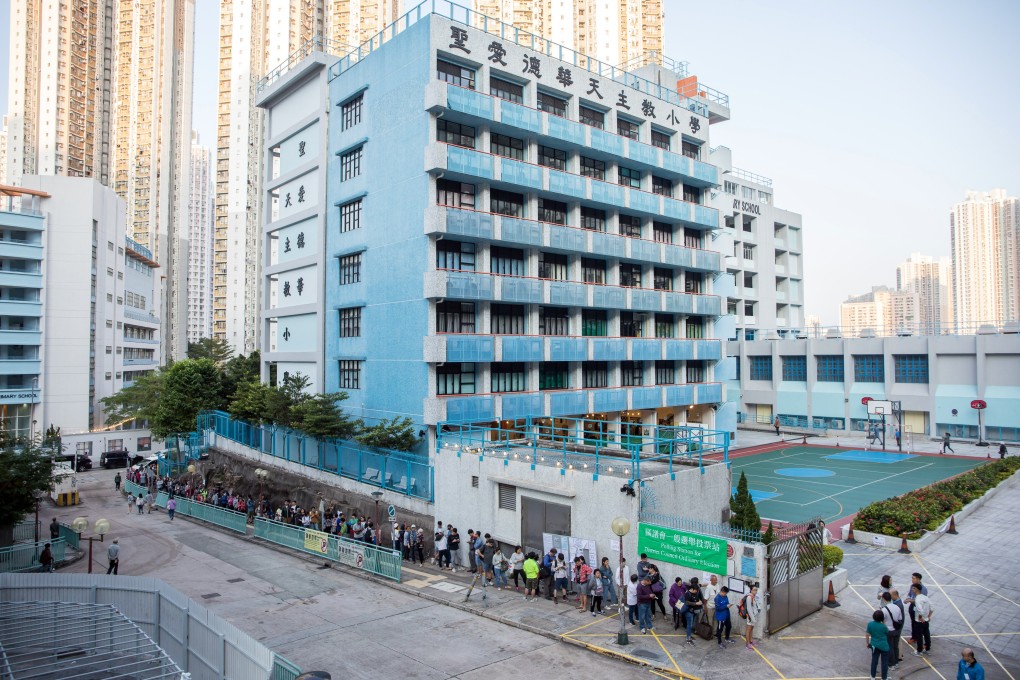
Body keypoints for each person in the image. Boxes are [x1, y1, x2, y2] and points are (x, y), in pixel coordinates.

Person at [881, 591, 904, 670]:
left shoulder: (884, 609)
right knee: (895, 646)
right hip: (896, 630)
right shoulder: (897, 607)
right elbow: (900, 619)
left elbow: (882, 621)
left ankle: (891, 664)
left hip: (888, 630)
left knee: (889, 647)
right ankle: (896, 662)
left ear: (884, 599)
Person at [910, 583, 933, 656]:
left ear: (916, 589)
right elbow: (932, 608)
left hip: (919, 621)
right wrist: (928, 616)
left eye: (913, 588)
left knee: (919, 636)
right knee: (927, 634)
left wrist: (920, 618)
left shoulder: (917, 599)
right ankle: (927, 648)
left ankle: (919, 651)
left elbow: (920, 610)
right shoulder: (926, 597)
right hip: (926, 620)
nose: (912, 589)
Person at [866, 609, 890, 680]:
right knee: (884, 663)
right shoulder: (883, 626)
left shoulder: (870, 624)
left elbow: (867, 634)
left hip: (874, 645)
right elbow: (887, 632)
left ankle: (873, 676)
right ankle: (884, 677)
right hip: (884, 646)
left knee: (874, 661)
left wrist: (867, 643)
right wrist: (884, 623)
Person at [683, 577, 704, 646]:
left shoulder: (696, 591)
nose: (697, 592)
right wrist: (696, 603)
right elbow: (687, 602)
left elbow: (700, 586)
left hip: (694, 611)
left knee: (692, 624)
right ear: (692, 589)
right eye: (696, 591)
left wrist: (700, 601)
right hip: (689, 612)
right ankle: (688, 637)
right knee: (689, 625)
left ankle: (690, 635)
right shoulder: (687, 594)